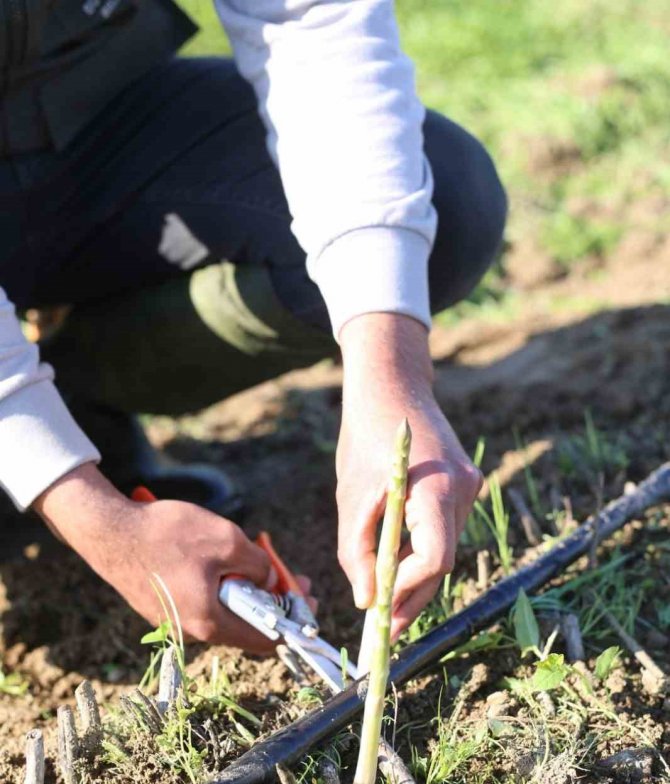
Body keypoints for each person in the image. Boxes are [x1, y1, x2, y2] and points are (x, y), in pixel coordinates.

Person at [0, 0, 506, 651]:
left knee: (446, 207)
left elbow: (311, 19)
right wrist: (90, 513)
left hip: (91, 128)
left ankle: (78, 396)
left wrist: (390, 374)